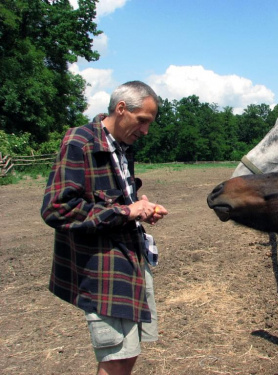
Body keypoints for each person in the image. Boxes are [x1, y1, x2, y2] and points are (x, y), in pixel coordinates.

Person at [41, 81, 168, 375]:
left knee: (130, 351)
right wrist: (127, 210)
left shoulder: (122, 146)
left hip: (129, 258)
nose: (146, 131)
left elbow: (109, 198)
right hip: (103, 269)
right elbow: (57, 209)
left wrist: (139, 207)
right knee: (116, 360)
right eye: (143, 121)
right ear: (122, 109)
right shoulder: (80, 142)